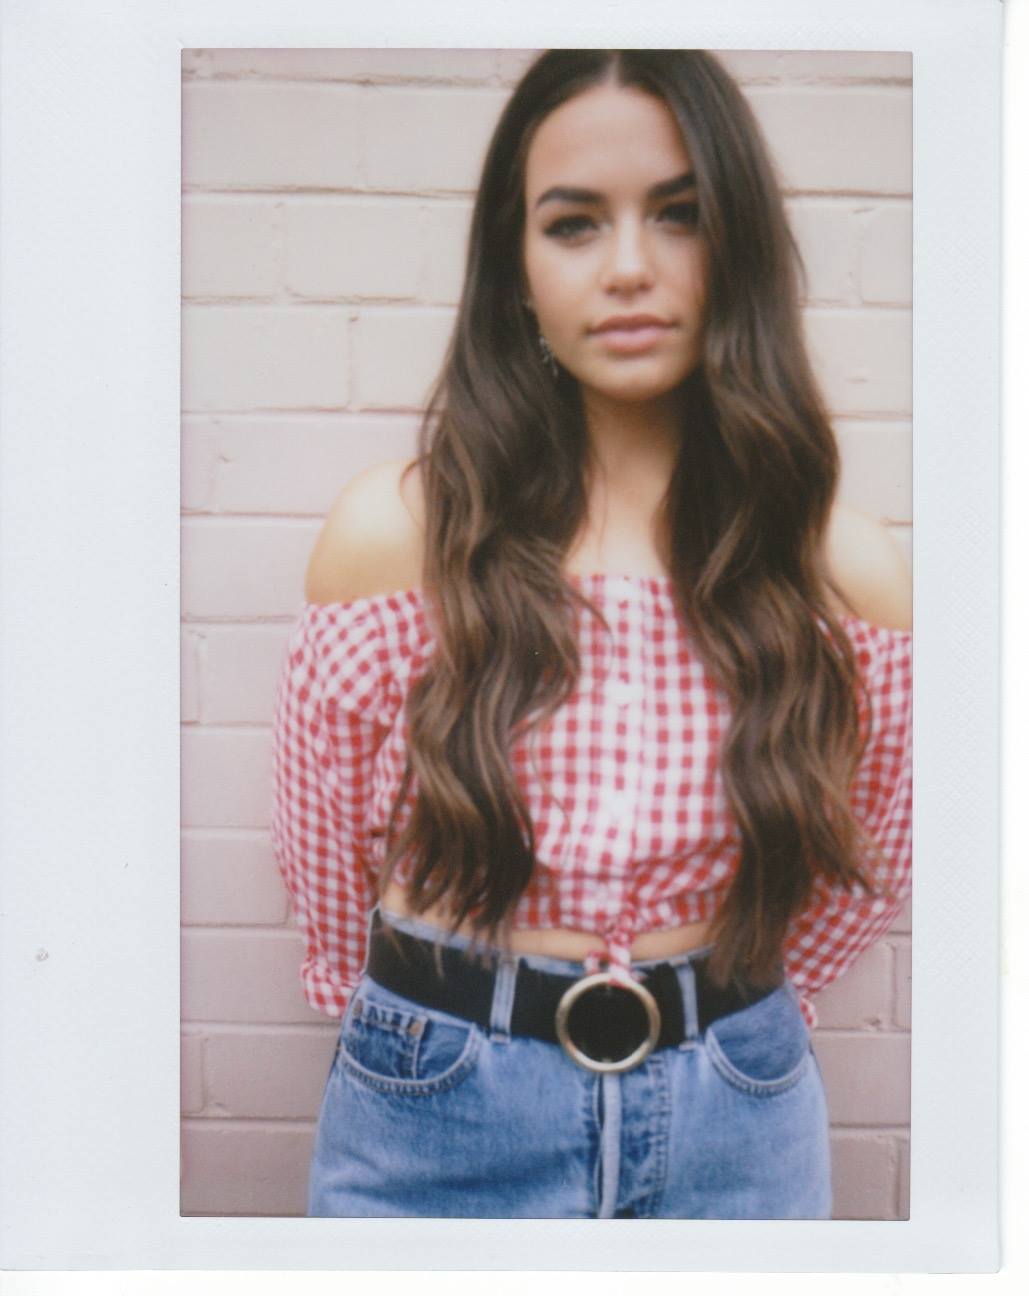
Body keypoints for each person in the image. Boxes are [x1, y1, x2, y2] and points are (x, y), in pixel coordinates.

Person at [270, 49, 912, 1220]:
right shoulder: (396, 540)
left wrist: (730, 1019)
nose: (628, 268)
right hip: (436, 1115)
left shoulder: (842, 570)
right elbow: (327, 860)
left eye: (680, 215)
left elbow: (869, 855)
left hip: (739, 1125)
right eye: (573, 224)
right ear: (514, 269)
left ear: (741, 248)